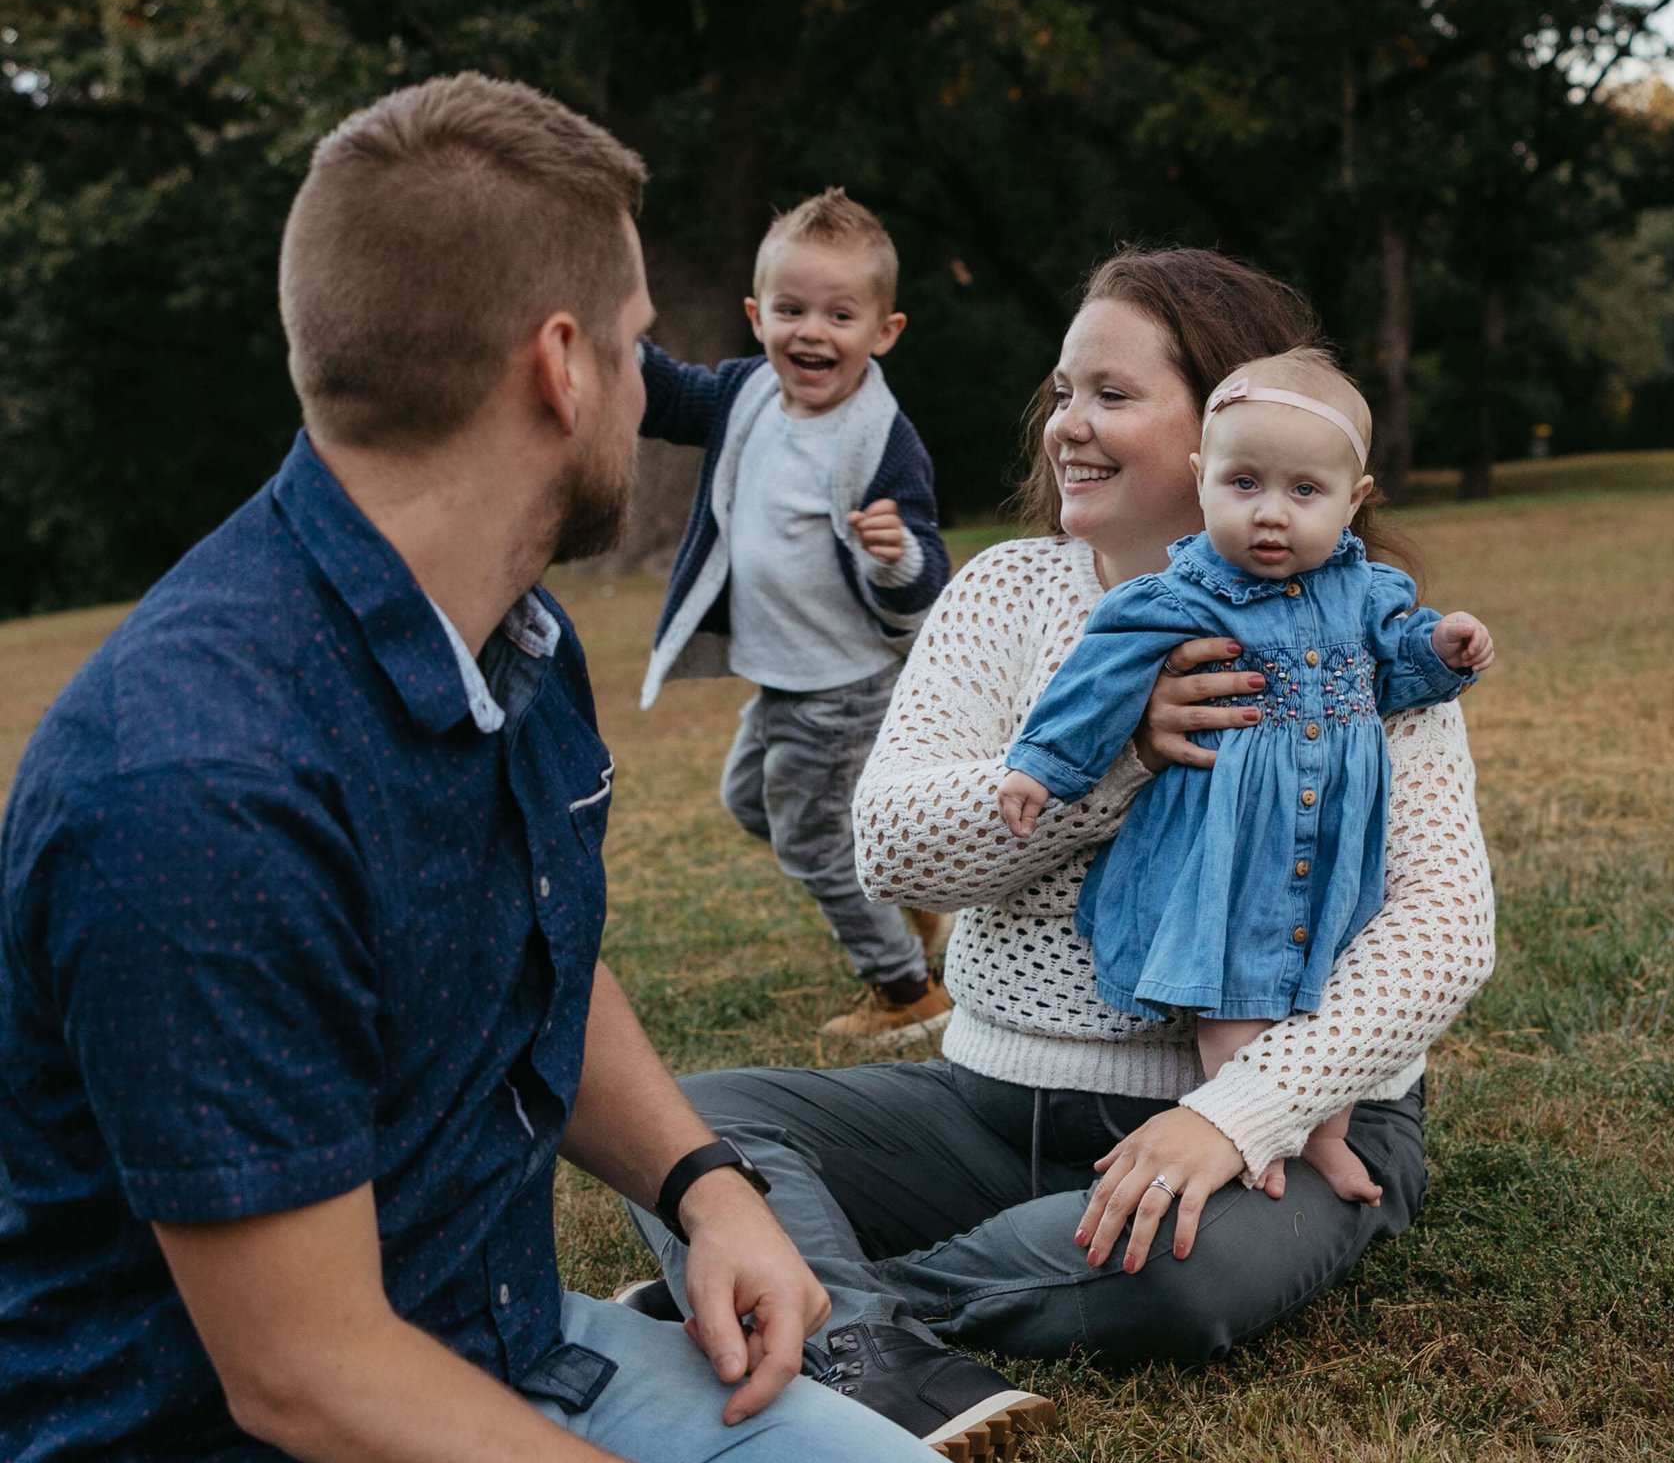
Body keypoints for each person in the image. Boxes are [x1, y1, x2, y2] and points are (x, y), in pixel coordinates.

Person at [0, 78, 1027, 1463]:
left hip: (479, 1356)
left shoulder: (506, 634)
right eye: (642, 344)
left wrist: (709, 1183)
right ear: (561, 365)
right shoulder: (199, 782)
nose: (657, 385)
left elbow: (540, 949)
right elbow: (296, 1371)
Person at [614, 250, 1497, 1377]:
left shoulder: (1364, 638)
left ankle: (819, 1305)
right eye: (1064, 392)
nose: (1067, 426)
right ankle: (863, 1319)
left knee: (1179, 1273)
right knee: (691, 1126)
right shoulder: (1005, 590)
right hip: (996, 1114)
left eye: (1112, 396)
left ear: (1236, 423)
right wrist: (1117, 755)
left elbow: (1440, 932)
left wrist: (1238, 1113)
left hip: (1272, 1130)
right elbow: (890, 847)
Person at [998, 349, 1493, 1205]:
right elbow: (1098, 681)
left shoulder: (1365, 593)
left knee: (1323, 989)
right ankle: (1253, 1138)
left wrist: (1440, 650)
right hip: (1229, 850)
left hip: (1334, 843)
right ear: (1203, 479)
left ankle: (1326, 1137)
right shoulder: (1184, 592)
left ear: (1354, 499)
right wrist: (1041, 765)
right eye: (1244, 484)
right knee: (1240, 999)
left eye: (1304, 492)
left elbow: (1398, 670)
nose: (1271, 515)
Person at [639, 186, 954, 1053]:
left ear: (883, 332)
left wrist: (894, 556)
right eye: (790, 309)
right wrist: (601, 335)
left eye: (840, 314)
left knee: (814, 841)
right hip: (783, 675)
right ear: (756, 315)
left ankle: (904, 991)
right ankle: (900, 891)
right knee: (752, 802)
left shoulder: (882, 438)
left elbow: (928, 568)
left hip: (845, 681)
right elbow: (665, 396)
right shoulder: (745, 397)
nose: (812, 332)